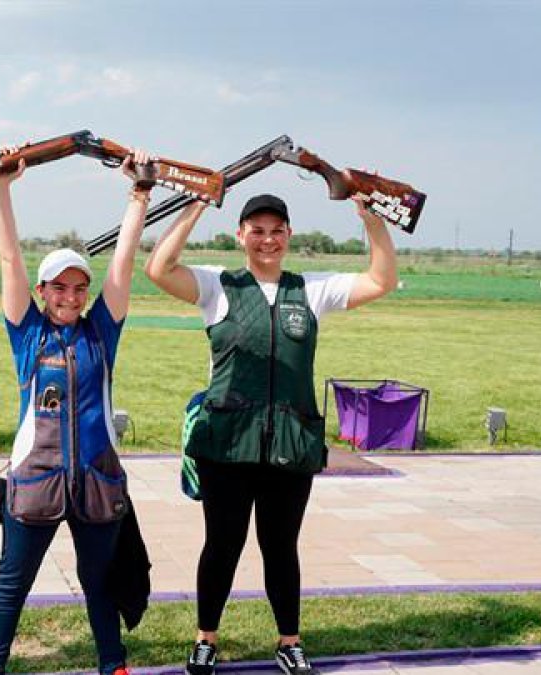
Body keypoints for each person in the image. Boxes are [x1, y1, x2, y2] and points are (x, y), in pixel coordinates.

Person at [144, 192, 398, 675]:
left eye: (276, 230)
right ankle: (205, 639)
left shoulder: (311, 290)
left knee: (281, 547)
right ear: (240, 235)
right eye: (256, 230)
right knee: (222, 545)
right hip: (227, 444)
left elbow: (381, 280)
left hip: (289, 445)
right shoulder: (217, 286)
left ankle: (289, 641)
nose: (267, 239)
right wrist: (197, 205)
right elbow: (159, 268)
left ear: (289, 236)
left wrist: (371, 222)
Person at [0, 146, 155, 675]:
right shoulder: (28, 333)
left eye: (79, 288)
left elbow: (123, 264)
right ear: (42, 291)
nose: (70, 297)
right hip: (34, 483)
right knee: (12, 583)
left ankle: (112, 665)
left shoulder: (102, 330)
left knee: (99, 584)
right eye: (59, 287)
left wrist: (139, 194)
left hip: (97, 482)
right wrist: (1, 188)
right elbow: (9, 258)